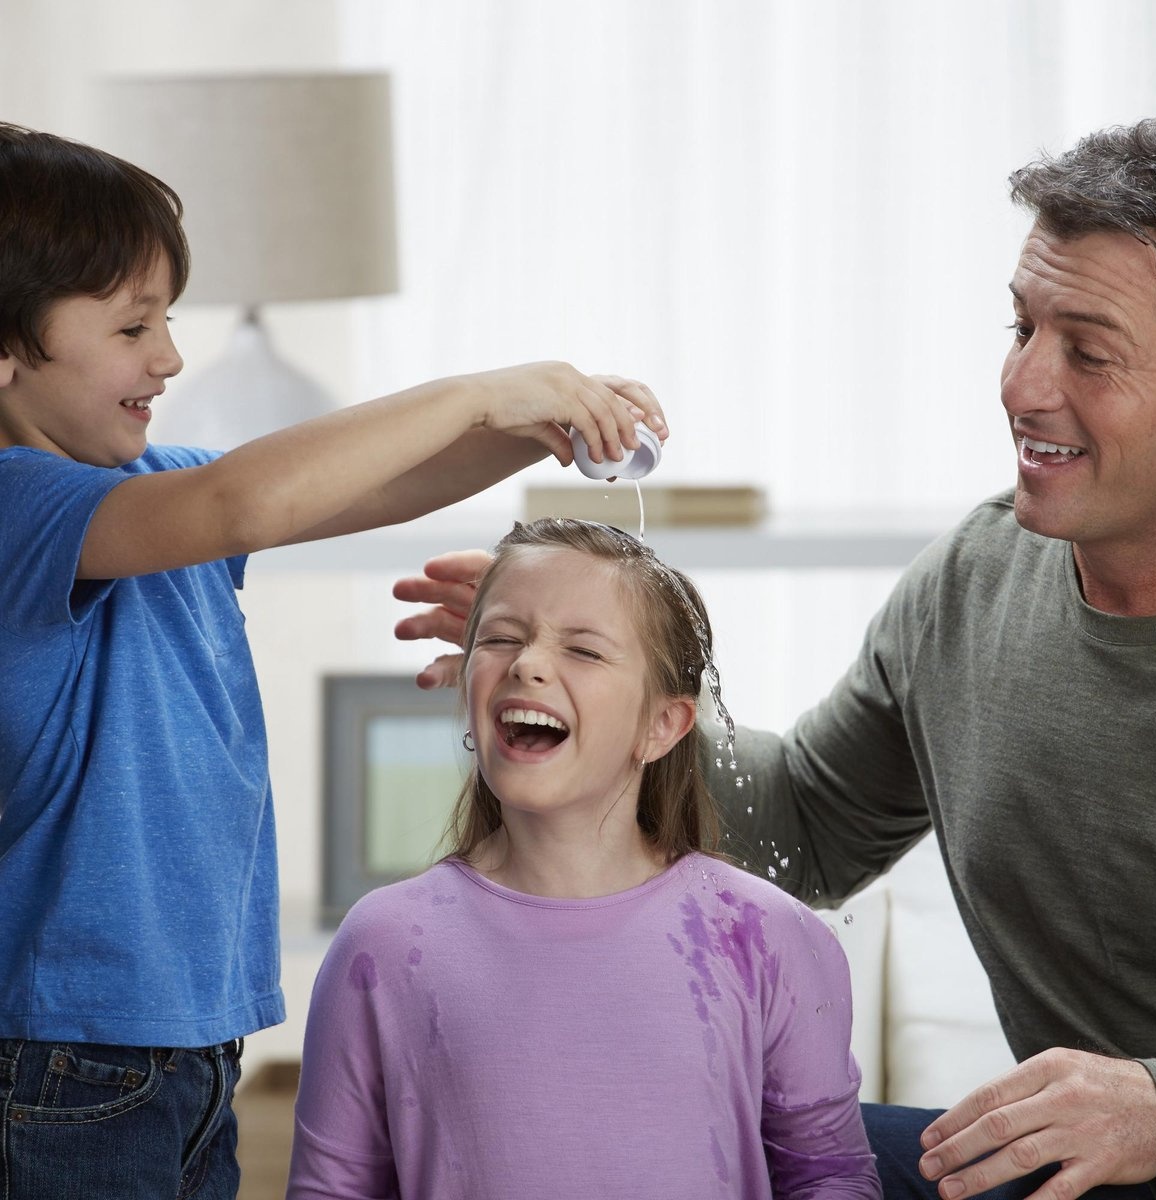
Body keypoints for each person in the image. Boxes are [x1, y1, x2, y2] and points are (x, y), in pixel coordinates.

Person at [390, 117, 1156, 1200]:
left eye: (1089, 353)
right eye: (1021, 328)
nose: (1023, 385)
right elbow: (806, 827)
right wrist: (614, 694)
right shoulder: (975, 583)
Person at [0, 121, 668, 1200]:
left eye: (168, 321)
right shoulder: (21, 504)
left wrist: (541, 424)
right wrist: (481, 393)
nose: (168, 357)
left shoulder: (156, 493)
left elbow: (372, 485)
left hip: (179, 1045)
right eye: (132, 327)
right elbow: (247, 498)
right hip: (56, 1054)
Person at [287, 518, 882, 1200]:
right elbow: (329, 1190)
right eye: (501, 638)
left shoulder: (767, 937)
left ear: (662, 726)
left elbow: (830, 1175)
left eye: (584, 650)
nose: (527, 664)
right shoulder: (383, 943)